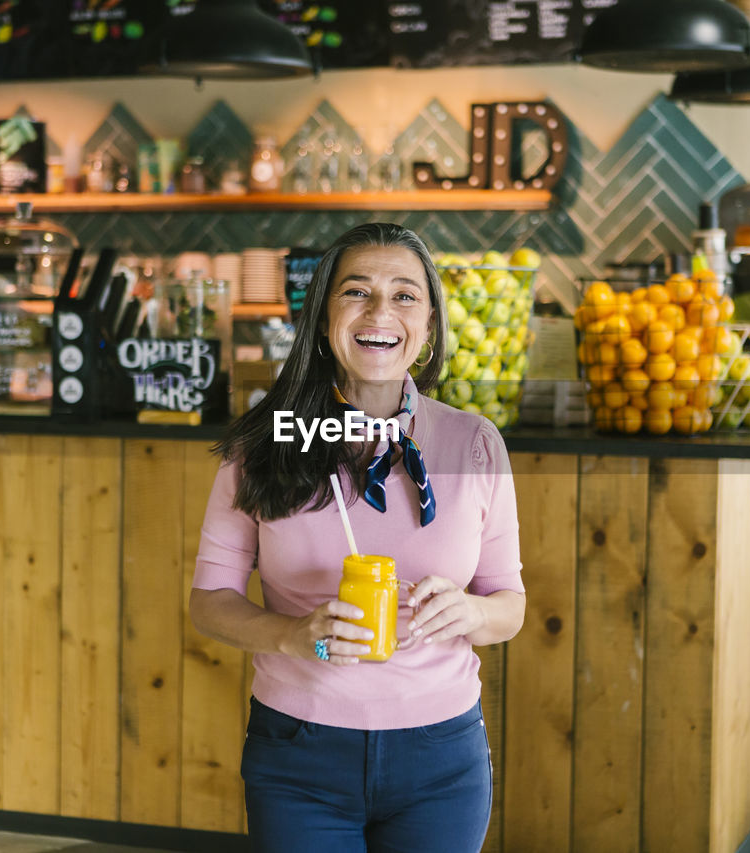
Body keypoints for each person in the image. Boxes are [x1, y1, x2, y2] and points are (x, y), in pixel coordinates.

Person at [191, 222, 526, 852]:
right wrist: (291, 635)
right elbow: (209, 600)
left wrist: (472, 611)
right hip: (299, 755)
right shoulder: (263, 445)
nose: (381, 311)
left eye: (405, 295)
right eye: (356, 291)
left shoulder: (474, 444)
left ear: (428, 324)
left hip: (441, 757)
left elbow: (510, 606)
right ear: (323, 318)